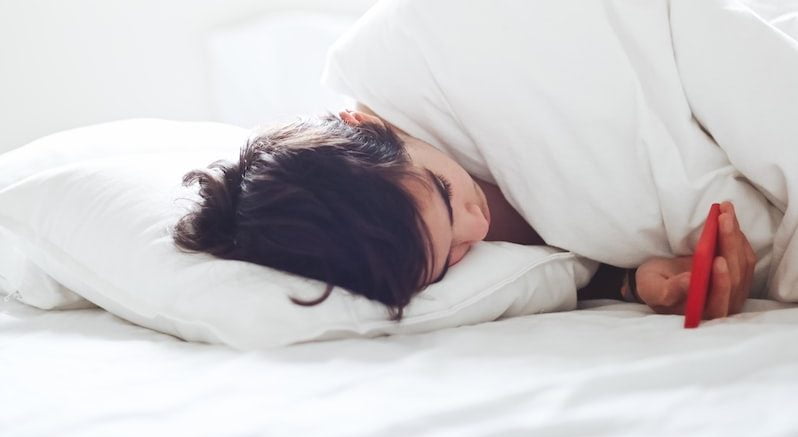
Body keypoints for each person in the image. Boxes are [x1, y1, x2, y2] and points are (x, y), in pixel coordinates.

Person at [173, 104, 756, 322]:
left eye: (447, 196)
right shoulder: (388, 240)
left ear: (370, 125)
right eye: (452, 256)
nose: (477, 230)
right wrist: (630, 281)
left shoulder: (429, 83)